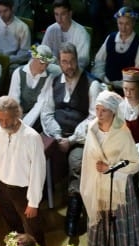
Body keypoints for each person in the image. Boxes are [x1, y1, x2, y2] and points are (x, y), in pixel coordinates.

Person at [79, 89, 139, 246]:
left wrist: (110, 169)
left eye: (104, 110)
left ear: (113, 111)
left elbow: (133, 163)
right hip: (97, 183)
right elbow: (88, 156)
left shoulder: (122, 132)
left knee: (116, 222)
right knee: (100, 222)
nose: (99, 114)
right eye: (97, 109)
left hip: (117, 184)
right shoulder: (91, 128)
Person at [0, 95, 47, 246]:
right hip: (3, 188)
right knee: (13, 231)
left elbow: (38, 171)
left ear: (17, 115)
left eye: (7, 119)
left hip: (24, 191)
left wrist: (33, 201)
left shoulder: (32, 137)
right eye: (0, 119)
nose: (3, 124)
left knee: (32, 233)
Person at [40, 43, 97, 200]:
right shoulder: (53, 81)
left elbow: (93, 119)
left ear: (77, 60)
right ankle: (39, 193)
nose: (69, 66)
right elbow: (47, 113)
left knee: (76, 162)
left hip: (80, 139)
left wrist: (70, 140)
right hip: (55, 134)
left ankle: (74, 207)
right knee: (35, 151)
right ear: (59, 62)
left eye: (72, 61)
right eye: (64, 62)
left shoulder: (92, 84)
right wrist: (57, 136)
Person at [92, 6, 139, 89]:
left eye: (127, 24)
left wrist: (121, 86)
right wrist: (102, 80)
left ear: (133, 23)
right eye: (120, 23)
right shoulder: (110, 38)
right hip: (105, 84)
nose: (123, 28)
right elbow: (99, 61)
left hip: (127, 90)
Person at [8, 43, 61, 131]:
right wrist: (15, 120)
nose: (44, 67)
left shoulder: (48, 78)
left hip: (34, 117)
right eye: (41, 63)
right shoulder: (18, 73)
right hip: (17, 114)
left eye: (47, 65)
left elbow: (39, 105)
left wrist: (23, 126)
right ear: (34, 58)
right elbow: (14, 100)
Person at [41, 0, 91, 69]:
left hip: (72, 71)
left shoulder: (82, 33)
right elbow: (43, 52)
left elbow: (82, 62)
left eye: (63, 14)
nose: (59, 19)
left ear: (70, 13)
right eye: (56, 14)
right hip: (52, 70)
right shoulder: (51, 29)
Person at [117, 65, 139, 156]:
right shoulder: (120, 105)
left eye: (132, 89)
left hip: (138, 153)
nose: (128, 93)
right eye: (125, 89)